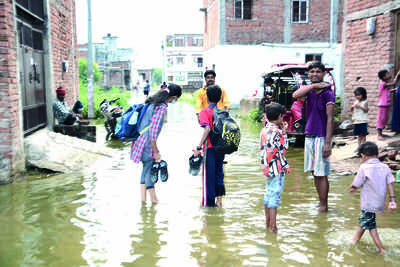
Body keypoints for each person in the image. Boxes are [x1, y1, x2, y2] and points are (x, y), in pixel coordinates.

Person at [292, 62, 335, 212]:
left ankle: (324, 205)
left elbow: (330, 119)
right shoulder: (309, 91)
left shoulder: (328, 93)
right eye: (312, 72)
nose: (315, 74)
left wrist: (328, 143)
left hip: (321, 137)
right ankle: (321, 203)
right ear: (308, 74)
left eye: (318, 71)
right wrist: (313, 86)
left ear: (323, 73)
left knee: (321, 173)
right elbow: (295, 95)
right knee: (314, 172)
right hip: (309, 136)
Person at [130, 83, 182, 203]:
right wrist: (155, 151)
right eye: (176, 99)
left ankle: (143, 201)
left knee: (146, 168)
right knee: (150, 170)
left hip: (139, 140)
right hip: (146, 142)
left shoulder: (152, 102)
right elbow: (153, 131)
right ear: (173, 97)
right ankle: (154, 201)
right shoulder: (161, 107)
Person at [349, 141, 396, 254]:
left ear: (363, 155)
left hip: (368, 203)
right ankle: (355, 240)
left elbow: (357, 182)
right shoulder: (385, 167)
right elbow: (390, 183)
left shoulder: (364, 167)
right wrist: (392, 200)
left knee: (367, 225)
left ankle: (380, 249)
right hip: (379, 202)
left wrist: (353, 188)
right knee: (367, 222)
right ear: (377, 154)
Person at [194, 85, 226, 208]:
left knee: (208, 176)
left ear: (207, 97)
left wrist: (198, 146)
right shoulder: (223, 112)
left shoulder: (205, 112)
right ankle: (219, 201)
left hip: (210, 149)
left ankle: (208, 204)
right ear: (220, 98)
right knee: (219, 173)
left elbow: (207, 128)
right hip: (221, 148)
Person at [260, 103, 290, 233]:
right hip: (276, 169)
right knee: (274, 197)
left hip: (267, 168)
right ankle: (273, 227)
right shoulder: (277, 132)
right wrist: (284, 133)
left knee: (268, 194)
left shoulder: (264, 130)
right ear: (280, 117)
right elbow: (283, 150)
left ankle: (267, 224)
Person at [376, 69, 400, 140]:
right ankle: (379, 134)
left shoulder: (386, 84)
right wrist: (397, 75)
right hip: (382, 105)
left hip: (386, 105)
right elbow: (393, 83)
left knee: (385, 119)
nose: (389, 74)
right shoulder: (383, 83)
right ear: (384, 77)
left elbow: (387, 91)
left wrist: (394, 90)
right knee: (381, 119)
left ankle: (382, 133)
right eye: (388, 74)